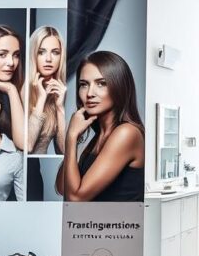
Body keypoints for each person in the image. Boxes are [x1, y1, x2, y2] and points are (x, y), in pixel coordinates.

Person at [57, 51, 145, 202]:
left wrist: (71, 137)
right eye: (84, 85)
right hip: (90, 225)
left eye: (101, 83)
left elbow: (75, 198)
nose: (90, 93)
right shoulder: (99, 137)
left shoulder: (126, 133)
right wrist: (75, 139)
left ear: (119, 87)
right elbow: (62, 188)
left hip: (118, 225)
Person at [27, 26, 67, 154]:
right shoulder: (22, 89)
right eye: (41, 52)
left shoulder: (58, 93)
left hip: (37, 173)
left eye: (55, 52)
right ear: (33, 54)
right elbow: (27, 146)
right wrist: (41, 99)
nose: (48, 59)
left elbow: (64, 152)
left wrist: (60, 108)